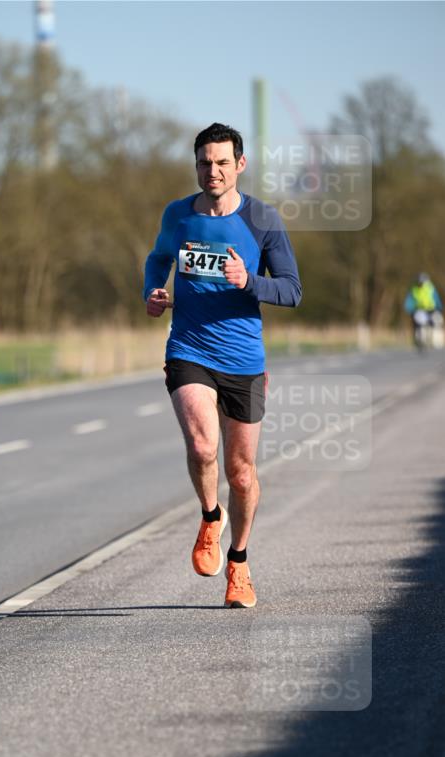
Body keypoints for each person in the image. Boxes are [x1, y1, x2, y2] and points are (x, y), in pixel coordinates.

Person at [144, 122, 301, 608]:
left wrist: (248, 280)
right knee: (202, 444)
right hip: (189, 347)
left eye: (221, 162)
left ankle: (239, 561)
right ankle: (211, 518)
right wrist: (152, 291)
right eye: (203, 163)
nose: (212, 171)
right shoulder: (179, 215)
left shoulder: (262, 219)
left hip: (243, 358)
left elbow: (292, 290)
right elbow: (158, 259)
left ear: (240, 165)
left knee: (242, 473)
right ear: (195, 165)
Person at [404, 273, 443, 350]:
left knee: (437, 321)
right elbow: (409, 301)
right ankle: (420, 340)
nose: (421, 283)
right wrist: (409, 309)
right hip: (419, 310)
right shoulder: (414, 289)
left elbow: (436, 299)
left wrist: (440, 307)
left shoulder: (431, 288)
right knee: (421, 322)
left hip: (432, 309)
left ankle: (436, 342)